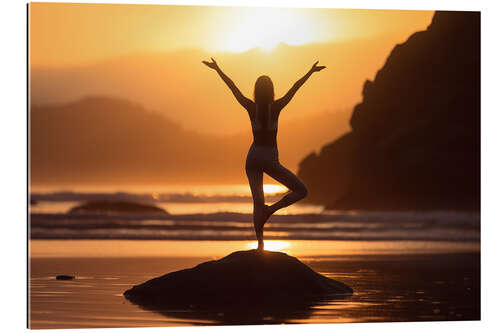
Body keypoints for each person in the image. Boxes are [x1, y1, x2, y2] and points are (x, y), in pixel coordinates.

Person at [202, 58, 326, 250]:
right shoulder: (276, 107)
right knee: (302, 190)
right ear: (271, 91)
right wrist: (310, 72)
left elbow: (232, 87)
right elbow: (295, 87)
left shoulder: (251, 107)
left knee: (257, 202)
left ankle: (260, 243)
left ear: (256, 90)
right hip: (268, 157)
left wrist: (217, 68)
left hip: (252, 157)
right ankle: (271, 211)